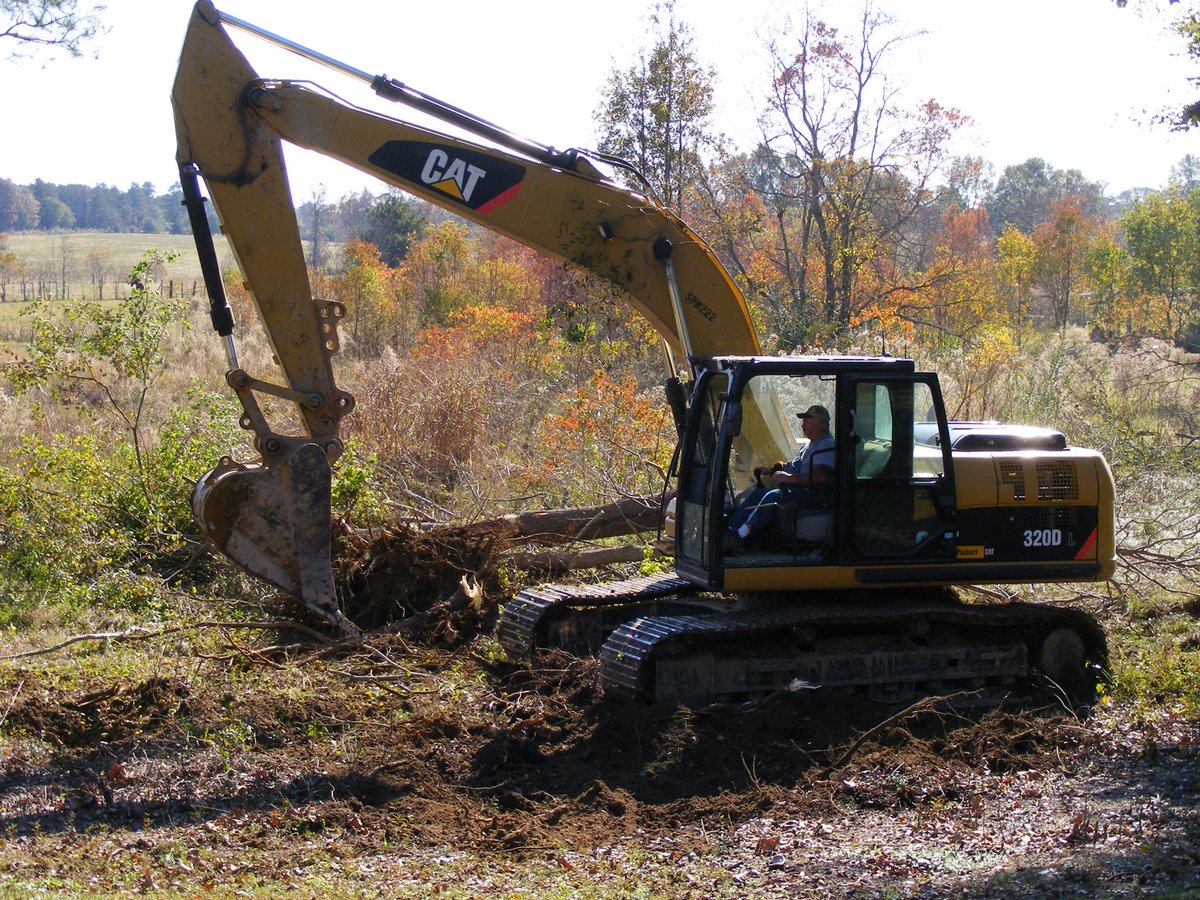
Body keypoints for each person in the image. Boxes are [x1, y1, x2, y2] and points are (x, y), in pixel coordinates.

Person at [725, 404, 835, 549]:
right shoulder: (810, 445)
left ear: (820, 422)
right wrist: (771, 470)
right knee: (757, 493)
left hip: (810, 495)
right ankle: (730, 531)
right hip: (796, 490)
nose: (802, 424)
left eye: (807, 420)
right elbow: (793, 466)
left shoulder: (826, 445)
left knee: (772, 496)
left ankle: (742, 534)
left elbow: (821, 477)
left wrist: (789, 478)